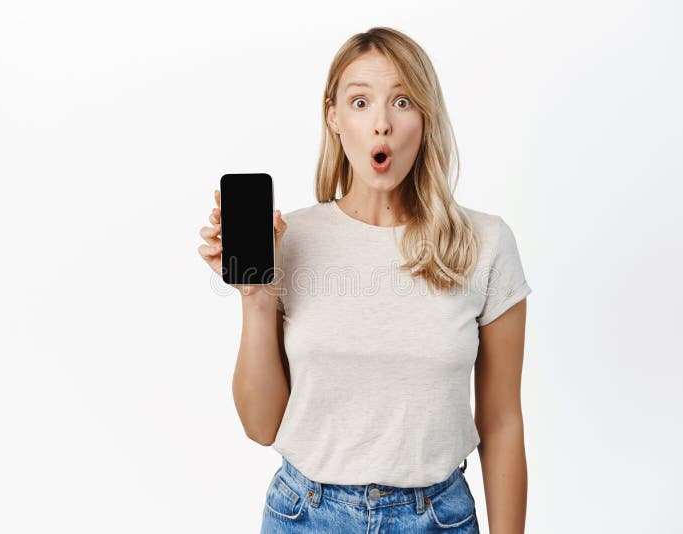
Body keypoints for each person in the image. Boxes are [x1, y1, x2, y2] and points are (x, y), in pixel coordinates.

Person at [198, 26, 532, 534]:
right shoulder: (290, 239)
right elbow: (261, 426)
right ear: (332, 115)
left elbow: (503, 422)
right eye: (360, 102)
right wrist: (256, 298)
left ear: (424, 116)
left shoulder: (483, 243)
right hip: (304, 515)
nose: (381, 124)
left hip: (436, 519)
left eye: (401, 101)